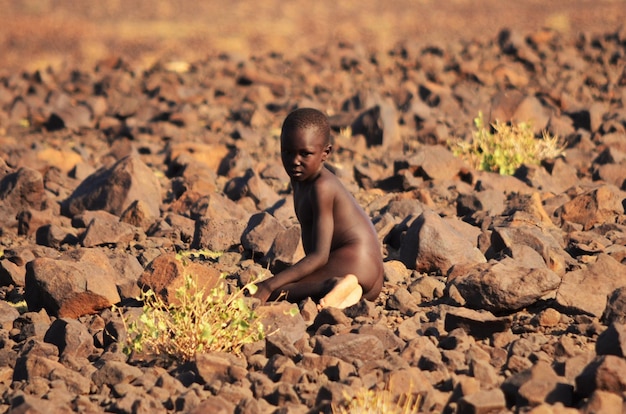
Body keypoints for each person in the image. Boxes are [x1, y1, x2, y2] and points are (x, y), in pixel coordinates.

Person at [254, 108, 384, 309]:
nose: (294, 161)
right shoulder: (303, 180)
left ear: (325, 153)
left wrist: (268, 284)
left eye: (305, 154)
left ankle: (334, 284)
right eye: (287, 152)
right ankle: (346, 291)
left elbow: (320, 255)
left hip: (354, 261)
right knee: (286, 285)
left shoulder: (321, 187)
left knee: (277, 291)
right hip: (368, 276)